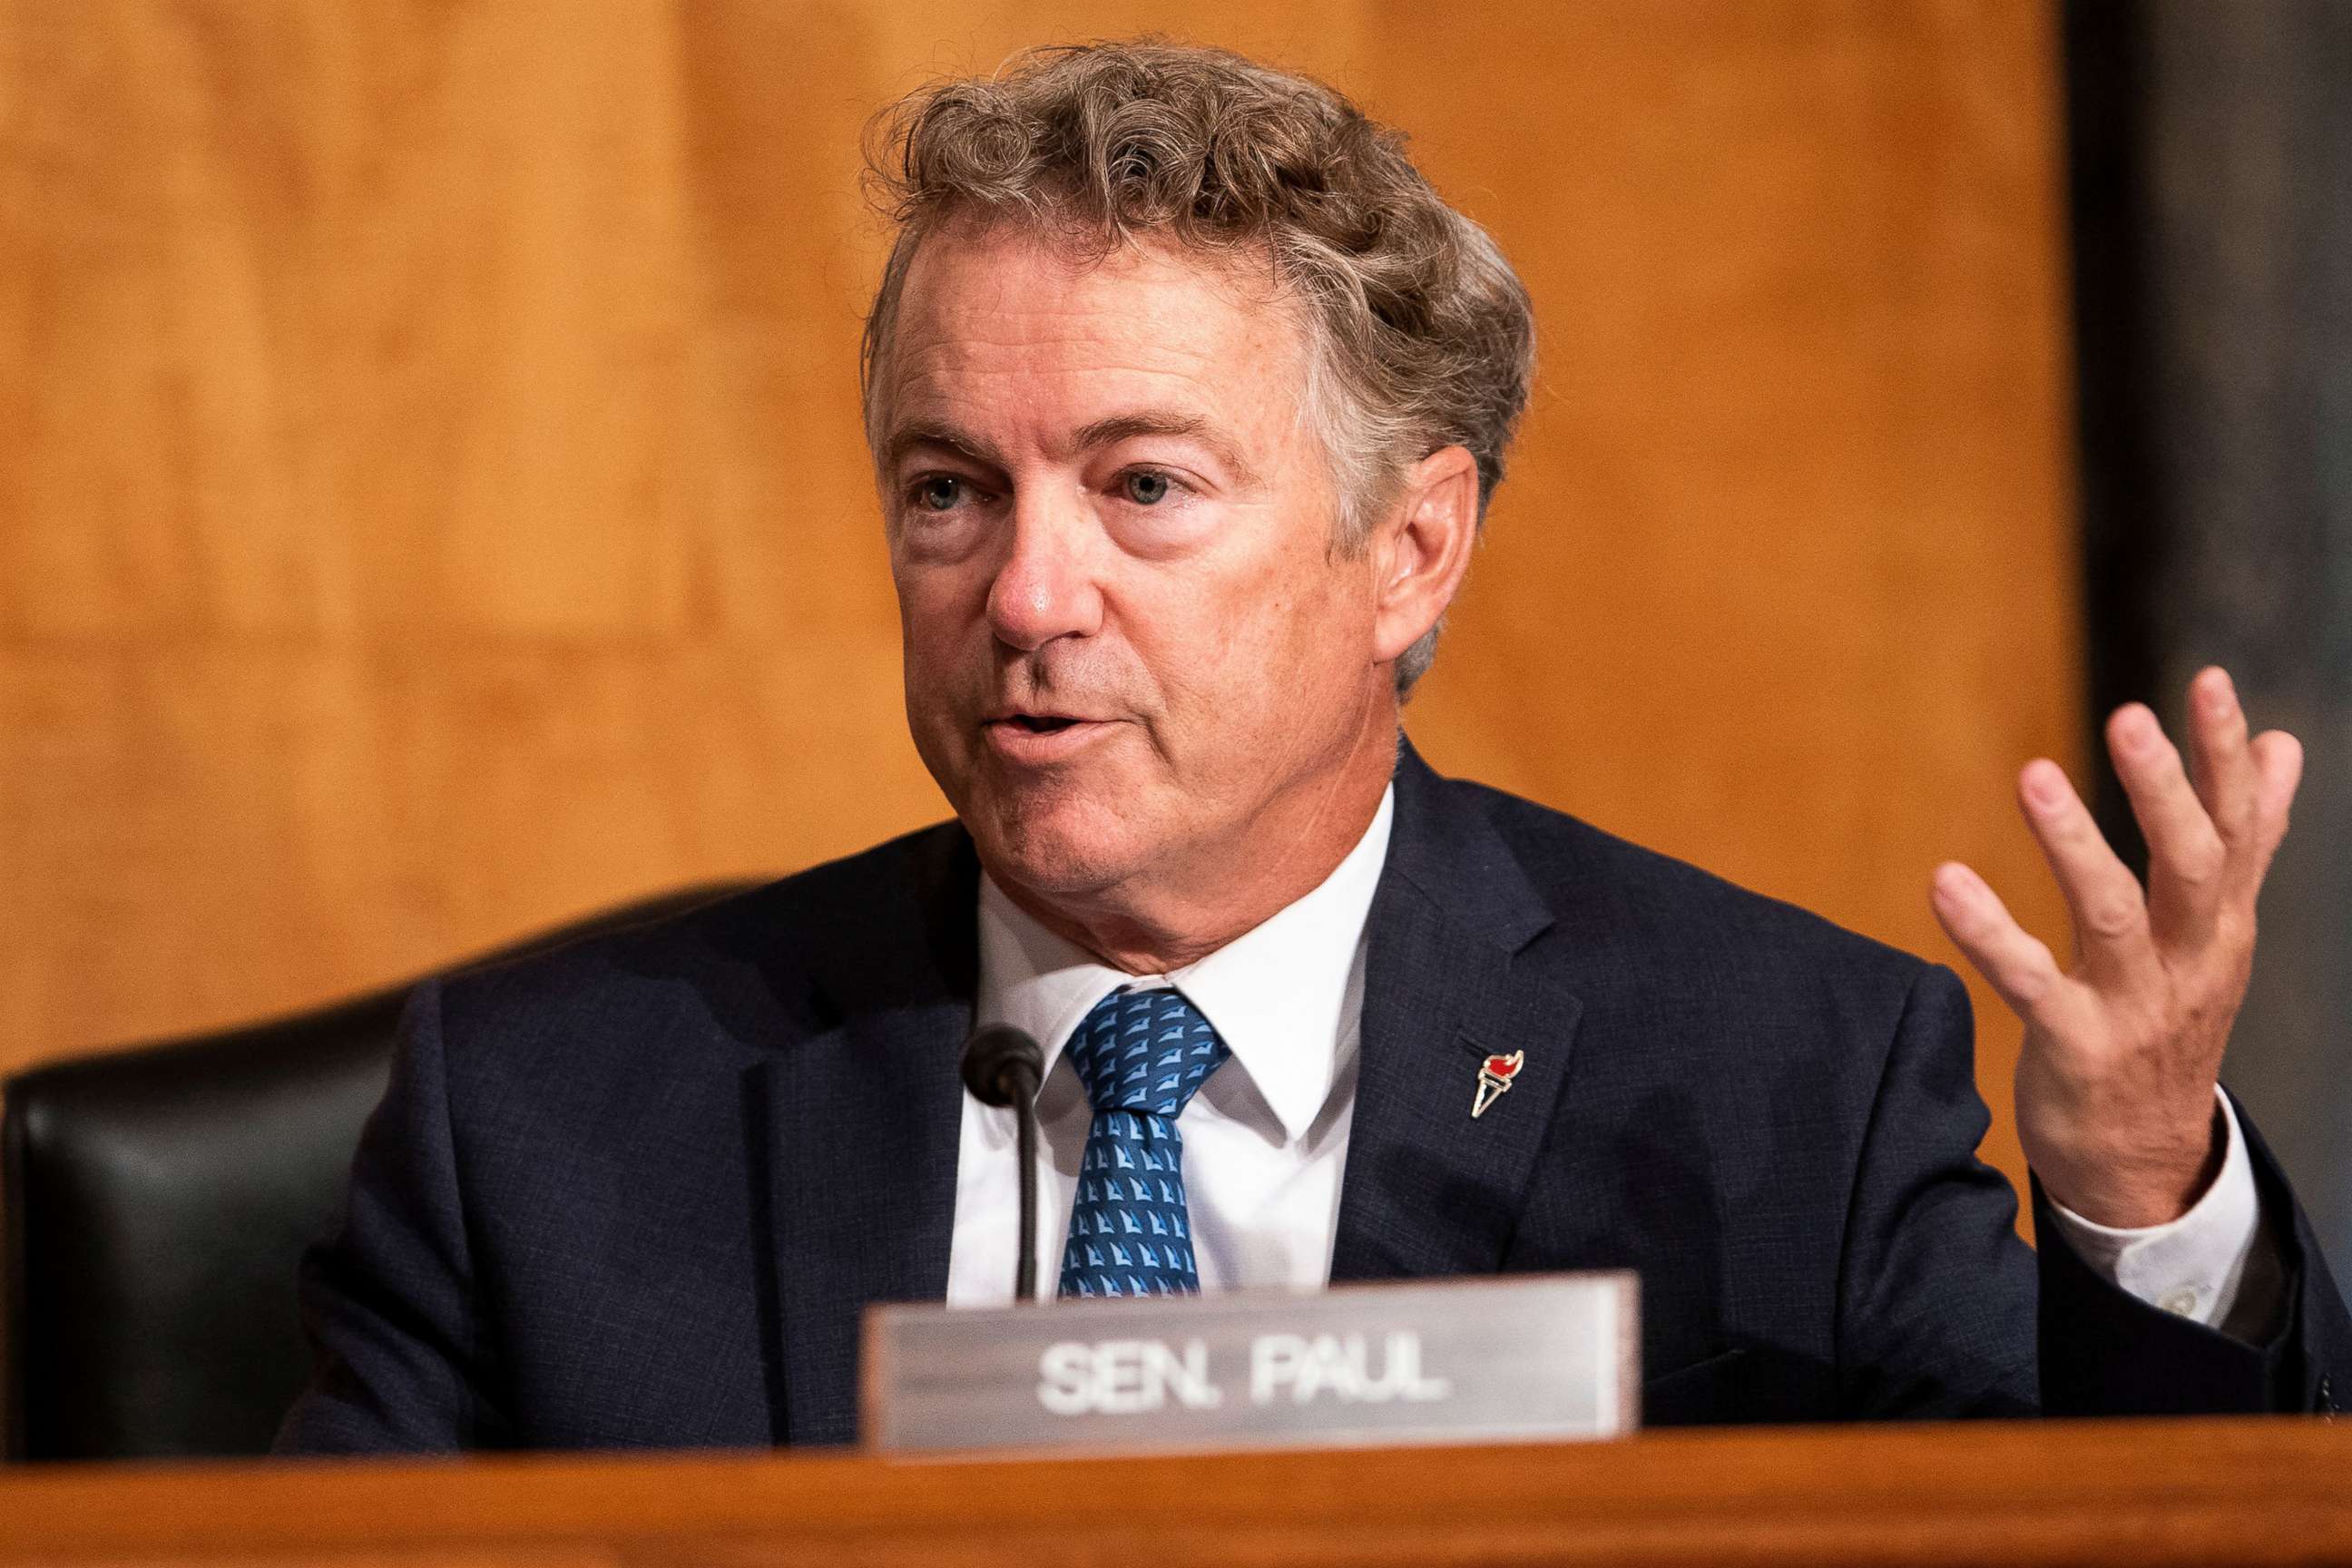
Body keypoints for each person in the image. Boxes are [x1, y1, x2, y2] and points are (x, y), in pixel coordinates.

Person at [279, 41, 2348, 1452]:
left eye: (1145, 487)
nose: (1022, 595)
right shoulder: (550, 1124)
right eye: (946, 490)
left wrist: (2146, 1198)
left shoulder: (1777, 1080)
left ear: (1411, 547)